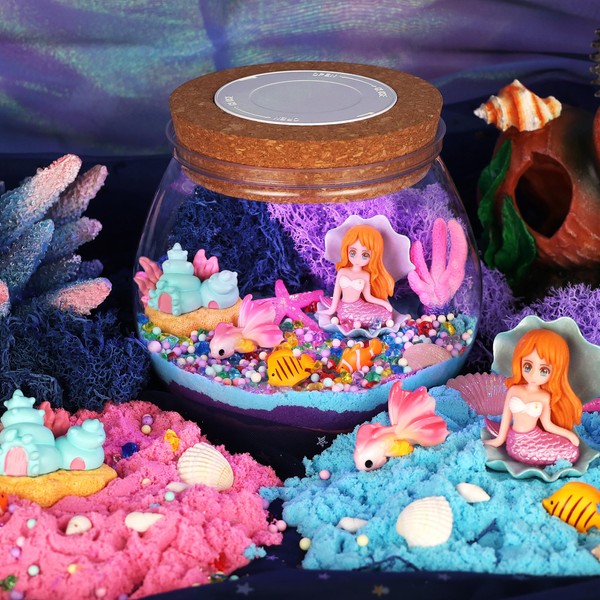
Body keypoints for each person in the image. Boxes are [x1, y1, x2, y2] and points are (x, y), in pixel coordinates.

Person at [485, 328, 581, 465]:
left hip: (536, 436)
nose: (533, 375)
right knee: (563, 452)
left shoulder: (544, 397)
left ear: (555, 372)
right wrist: (498, 440)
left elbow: (548, 425)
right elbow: (506, 418)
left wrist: (569, 435)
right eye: (528, 366)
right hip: (517, 442)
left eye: (544, 370)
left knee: (570, 450)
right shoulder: (514, 390)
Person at [320, 224, 395, 329]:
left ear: (373, 256)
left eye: (365, 255)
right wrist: (332, 309)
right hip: (345, 308)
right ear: (346, 250)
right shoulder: (342, 272)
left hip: (359, 305)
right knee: (353, 317)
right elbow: (336, 293)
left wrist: (385, 304)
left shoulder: (365, 275)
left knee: (385, 315)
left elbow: (368, 297)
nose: (357, 259)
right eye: (353, 252)